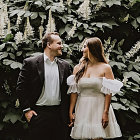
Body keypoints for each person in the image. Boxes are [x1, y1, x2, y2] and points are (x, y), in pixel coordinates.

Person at [16, 32, 72, 140]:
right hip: (38, 115)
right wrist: (27, 110)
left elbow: (70, 91)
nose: (62, 46)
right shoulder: (30, 63)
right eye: (59, 43)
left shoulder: (65, 66)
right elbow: (21, 88)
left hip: (59, 115)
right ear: (49, 45)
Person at [67, 37, 123, 140]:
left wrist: (105, 112)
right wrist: (71, 112)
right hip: (82, 107)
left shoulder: (105, 67)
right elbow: (74, 92)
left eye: (84, 47)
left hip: (99, 107)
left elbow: (108, 92)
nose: (82, 50)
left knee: (97, 137)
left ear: (92, 48)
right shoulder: (77, 68)